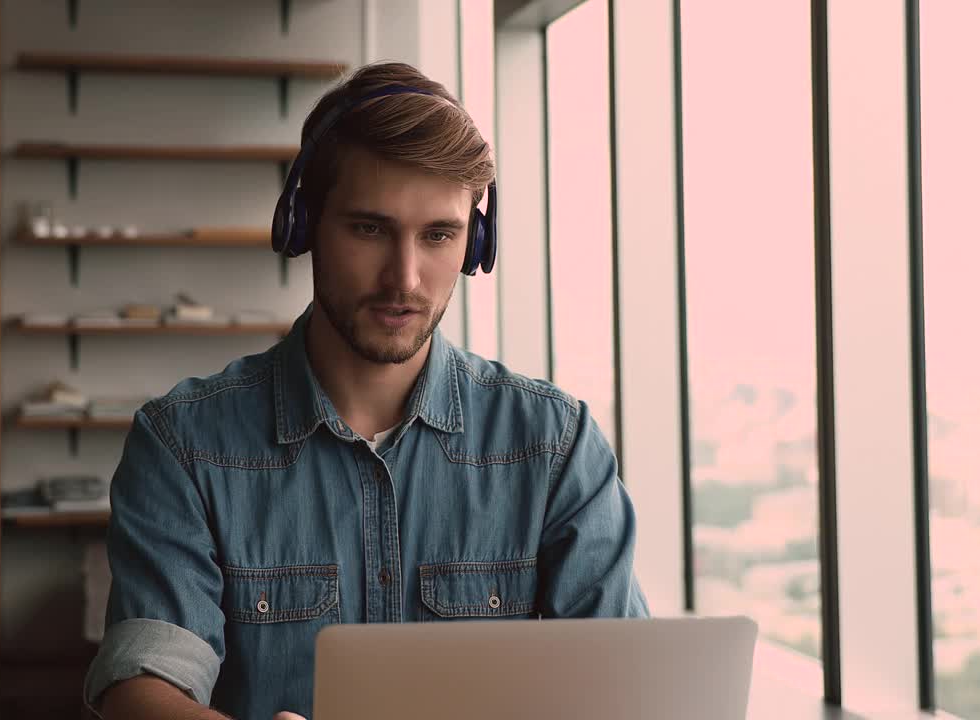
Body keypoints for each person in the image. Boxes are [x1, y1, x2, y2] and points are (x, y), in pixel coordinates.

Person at [83, 61, 649, 720]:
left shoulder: (555, 445)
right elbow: (143, 683)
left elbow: (628, 687)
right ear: (303, 225)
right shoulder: (184, 444)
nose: (404, 278)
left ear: (475, 244)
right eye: (368, 229)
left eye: (439, 235)